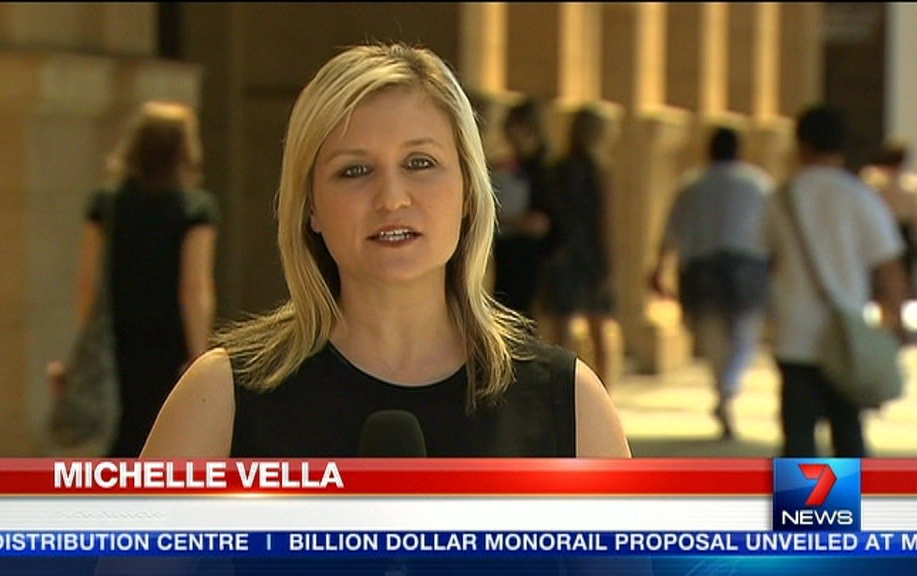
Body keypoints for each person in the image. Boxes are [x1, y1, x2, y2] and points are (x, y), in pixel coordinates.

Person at [139, 43, 630, 460]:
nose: (392, 199)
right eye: (354, 170)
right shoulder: (221, 398)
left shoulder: (569, 404)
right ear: (310, 207)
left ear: (468, 191)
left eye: (420, 163)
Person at [49, 101, 220, 458]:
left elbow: (89, 280)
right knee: (164, 437)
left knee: (123, 438)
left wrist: (87, 345)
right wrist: (198, 355)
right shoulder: (194, 209)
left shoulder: (107, 203)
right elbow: (194, 287)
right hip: (169, 341)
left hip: (120, 337)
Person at [756, 104, 908, 457]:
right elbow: (888, 267)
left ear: (801, 144)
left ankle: (802, 497)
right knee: (848, 434)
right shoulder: (860, 197)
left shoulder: (780, 199)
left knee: (798, 439)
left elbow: (764, 259)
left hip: (795, 334)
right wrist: (895, 320)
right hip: (846, 336)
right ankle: (845, 496)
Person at [650, 127, 773, 439]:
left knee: (711, 333)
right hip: (748, 265)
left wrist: (659, 267)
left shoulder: (692, 184)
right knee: (745, 334)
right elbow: (774, 231)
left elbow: (672, 230)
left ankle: (723, 387)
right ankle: (728, 388)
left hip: (701, 267)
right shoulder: (758, 184)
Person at [541, 106, 616, 385]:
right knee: (599, 328)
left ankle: (562, 389)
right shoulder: (599, 171)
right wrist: (610, 263)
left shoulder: (557, 169)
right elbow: (604, 222)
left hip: (562, 252)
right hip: (590, 254)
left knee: (562, 330)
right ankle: (603, 392)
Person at [491, 99, 558, 319]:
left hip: (529, 259)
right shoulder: (512, 165)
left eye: (511, 125)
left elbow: (541, 224)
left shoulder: (542, 170)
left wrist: (501, 218)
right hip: (508, 254)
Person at [860, 139, 917, 300]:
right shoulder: (910, 184)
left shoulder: (869, 180)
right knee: (902, 273)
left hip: (883, 228)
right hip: (901, 230)